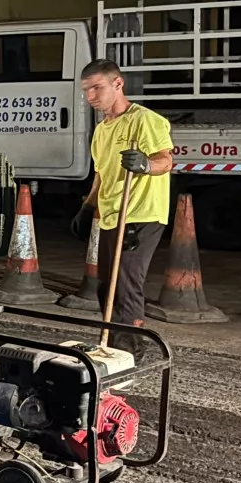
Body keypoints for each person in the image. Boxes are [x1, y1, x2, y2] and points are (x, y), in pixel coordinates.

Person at [73, 58, 174, 359]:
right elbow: (101, 174)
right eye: (86, 91)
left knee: (126, 285)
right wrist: (87, 207)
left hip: (141, 214)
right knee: (106, 287)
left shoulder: (145, 120)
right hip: (111, 215)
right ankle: (109, 346)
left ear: (118, 84)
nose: (91, 97)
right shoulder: (102, 131)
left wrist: (145, 164)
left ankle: (129, 353)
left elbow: (165, 161)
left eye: (96, 88)